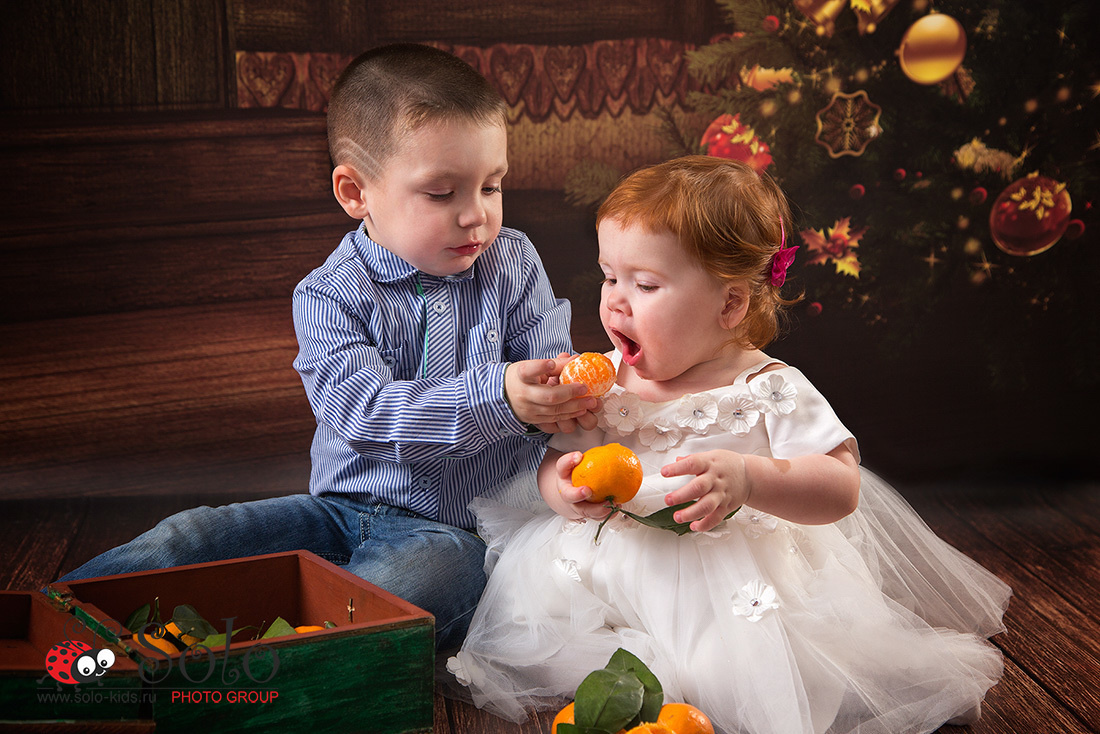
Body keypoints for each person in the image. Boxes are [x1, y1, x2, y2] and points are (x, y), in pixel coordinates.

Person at [56, 43, 598, 650]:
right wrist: (499, 396)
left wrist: (556, 397)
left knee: (407, 584)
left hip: (460, 529)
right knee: (193, 537)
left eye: (492, 186)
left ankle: (273, 666)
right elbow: (360, 414)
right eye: (443, 195)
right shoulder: (328, 294)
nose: (477, 216)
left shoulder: (513, 262)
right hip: (338, 511)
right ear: (355, 192)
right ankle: (48, 626)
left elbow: (549, 380)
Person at [446, 156, 1011, 732]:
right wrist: (562, 488)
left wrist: (749, 479)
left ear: (730, 304)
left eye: (644, 284)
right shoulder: (608, 377)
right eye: (608, 276)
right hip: (607, 566)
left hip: (727, 577)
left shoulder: (766, 388)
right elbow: (558, 459)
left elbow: (842, 487)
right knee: (564, 637)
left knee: (723, 666)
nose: (615, 301)